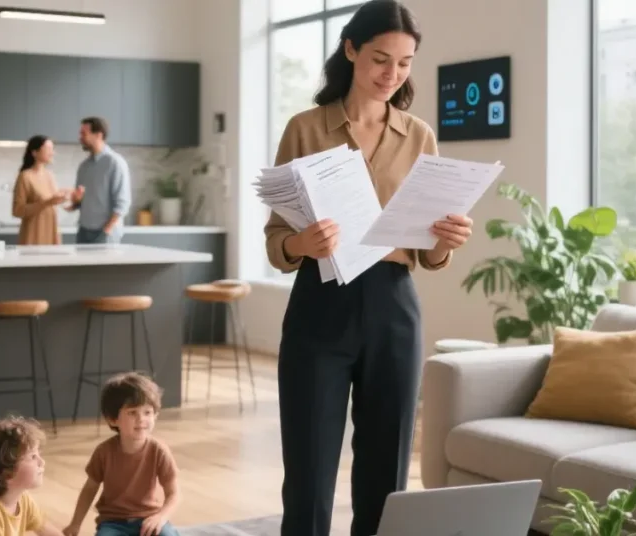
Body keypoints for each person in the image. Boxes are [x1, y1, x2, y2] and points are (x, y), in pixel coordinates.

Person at [263, 2, 475, 536]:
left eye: (404, 63)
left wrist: (446, 241)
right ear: (351, 50)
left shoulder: (420, 135)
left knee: (387, 470)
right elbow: (275, 240)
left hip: (394, 306)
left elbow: (428, 252)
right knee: (309, 474)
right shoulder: (306, 129)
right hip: (320, 304)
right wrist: (301, 243)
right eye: (381, 58)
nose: (392, 74)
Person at [62, 372, 181, 536]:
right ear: (112, 420)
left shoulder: (159, 450)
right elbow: (90, 489)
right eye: (132, 413)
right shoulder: (103, 452)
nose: (141, 419)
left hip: (149, 518)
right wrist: (75, 524)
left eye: (147, 412)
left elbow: (173, 493)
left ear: (155, 415)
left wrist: (161, 517)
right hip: (113, 523)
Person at [67, 117, 132, 244]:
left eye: (84, 133)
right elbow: (81, 201)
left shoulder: (115, 163)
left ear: (98, 135)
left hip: (105, 234)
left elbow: (123, 204)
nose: (80, 137)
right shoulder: (84, 166)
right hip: (83, 232)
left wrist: (106, 231)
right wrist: (75, 202)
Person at [12, 135, 72, 245]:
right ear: (35, 152)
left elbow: (50, 201)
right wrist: (48, 202)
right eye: (48, 149)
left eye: (53, 149)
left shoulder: (50, 175)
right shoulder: (25, 177)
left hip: (52, 235)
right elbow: (17, 211)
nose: (52, 153)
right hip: (33, 237)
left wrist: (64, 196)